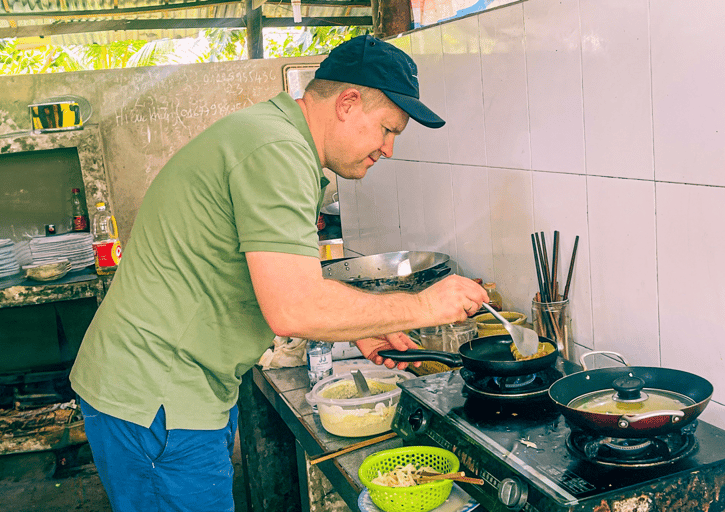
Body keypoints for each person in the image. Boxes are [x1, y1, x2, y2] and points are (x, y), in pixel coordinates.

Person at [70, 34, 488, 512]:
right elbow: (294, 307)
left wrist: (371, 324)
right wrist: (422, 305)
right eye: (387, 130)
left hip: (169, 391)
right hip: (158, 400)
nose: (388, 149)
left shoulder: (273, 137)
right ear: (348, 103)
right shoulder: (277, 149)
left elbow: (274, 278)